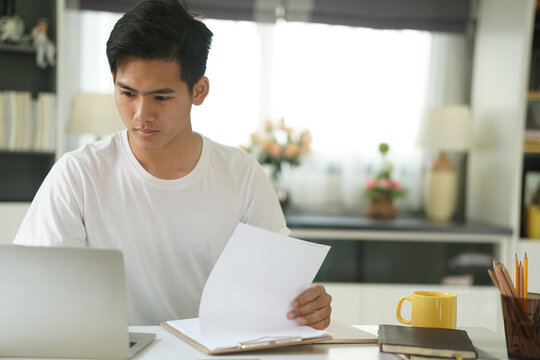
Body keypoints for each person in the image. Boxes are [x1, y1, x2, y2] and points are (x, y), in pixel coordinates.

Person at [14, 0, 332, 329]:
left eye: (161, 97)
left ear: (199, 90)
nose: (141, 115)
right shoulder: (77, 174)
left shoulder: (242, 174)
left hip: (217, 353)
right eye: (127, 93)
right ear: (113, 80)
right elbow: (31, 292)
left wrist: (308, 305)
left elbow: (280, 293)